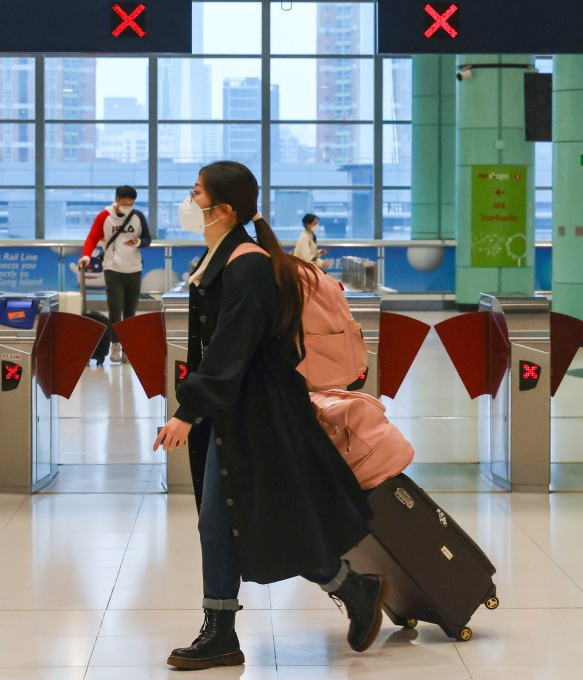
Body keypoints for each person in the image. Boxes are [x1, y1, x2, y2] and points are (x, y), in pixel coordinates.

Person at [153, 161, 389, 671]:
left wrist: (188, 412)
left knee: (263, 519)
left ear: (224, 209)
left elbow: (230, 346)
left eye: (195, 193)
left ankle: (351, 588)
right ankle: (226, 628)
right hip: (236, 410)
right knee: (224, 521)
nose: (189, 202)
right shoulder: (225, 255)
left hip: (258, 415)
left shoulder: (248, 264)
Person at [79, 186, 151, 363]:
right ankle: (115, 345)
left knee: (130, 310)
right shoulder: (105, 216)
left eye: (131, 204)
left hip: (134, 268)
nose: (128, 207)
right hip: (112, 268)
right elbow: (92, 237)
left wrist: (138, 242)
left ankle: (128, 348)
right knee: (115, 308)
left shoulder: (138, 216)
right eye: (125, 204)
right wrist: (87, 255)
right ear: (117, 200)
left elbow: (148, 239)